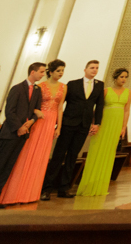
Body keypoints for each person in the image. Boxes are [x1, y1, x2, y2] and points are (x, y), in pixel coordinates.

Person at [0, 62, 45, 210]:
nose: (43, 74)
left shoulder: (38, 90)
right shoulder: (17, 88)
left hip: (24, 133)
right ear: (32, 72)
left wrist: (31, 122)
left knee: (8, 167)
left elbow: (36, 111)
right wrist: (19, 127)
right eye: (41, 72)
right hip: (10, 133)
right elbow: (9, 111)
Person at [0, 60, 66, 205]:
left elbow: (60, 107)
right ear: (51, 72)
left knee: (41, 157)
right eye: (58, 70)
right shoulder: (40, 86)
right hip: (38, 121)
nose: (61, 73)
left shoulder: (64, 87)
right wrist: (36, 112)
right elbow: (32, 105)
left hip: (50, 123)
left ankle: (31, 193)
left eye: (63, 70)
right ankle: (16, 192)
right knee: (27, 153)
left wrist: (58, 127)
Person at [43, 59, 104, 199]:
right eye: (92, 67)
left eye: (96, 68)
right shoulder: (72, 84)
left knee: (72, 156)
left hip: (84, 125)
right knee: (58, 155)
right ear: (85, 69)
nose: (94, 70)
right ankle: (47, 189)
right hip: (68, 123)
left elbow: (99, 105)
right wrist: (56, 122)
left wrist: (97, 123)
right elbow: (61, 103)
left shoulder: (99, 85)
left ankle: (64, 188)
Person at [76, 67, 131, 197]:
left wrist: (123, 127)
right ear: (115, 77)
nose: (124, 79)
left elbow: (127, 110)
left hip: (116, 125)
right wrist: (95, 124)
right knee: (97, 150)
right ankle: (89, 184)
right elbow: (98, 108)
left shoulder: (128, 92)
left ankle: (101, 185)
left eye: (125, 77)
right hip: (104, 123)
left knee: (109, 153)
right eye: (121, 77)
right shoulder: (106, 91)